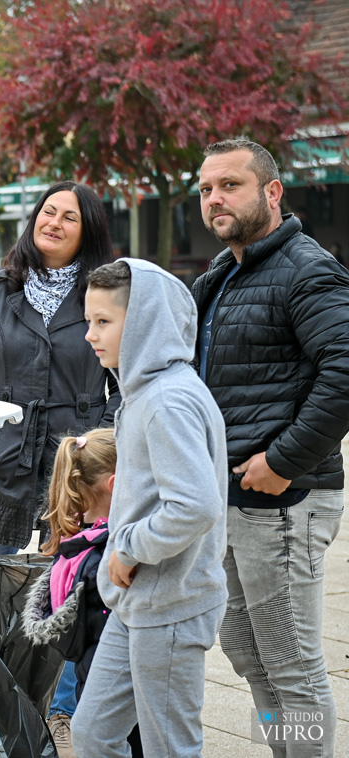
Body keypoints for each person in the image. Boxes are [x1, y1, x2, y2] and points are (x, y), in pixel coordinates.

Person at [0, 180, 119, 755]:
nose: (55, 223)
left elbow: (123, 372)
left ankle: (61, 710)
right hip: (7, 459)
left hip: (78, 463)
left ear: (86, 231)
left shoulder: (104, 293)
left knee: (72, 593)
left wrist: (105, 432)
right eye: (49, 212)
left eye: (70, 217)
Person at [193, 139, 349, 756]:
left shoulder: (306, 269)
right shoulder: (223, 275)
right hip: (229, 500)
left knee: (291, 665)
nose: (214, 199)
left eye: (229, 185)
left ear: (272, 192)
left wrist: (284, 462)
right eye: (206, 189)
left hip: (283, 502)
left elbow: (346, 369)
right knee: (251, 657)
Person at [71, 259, 227, 757]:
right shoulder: (142, 392)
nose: (90, 335)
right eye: (88, 320)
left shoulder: (167, 401)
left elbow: (196, 506)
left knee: (169, 748)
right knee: (92, 733)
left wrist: (129, 549)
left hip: (171, 605)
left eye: (104, 322)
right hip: (137, 603)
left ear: (141, 323)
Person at [23, 428, 142, 757]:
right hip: (117, 669)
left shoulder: (77, 541)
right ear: (116, 484)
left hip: (88, 667)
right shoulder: (112, 553)